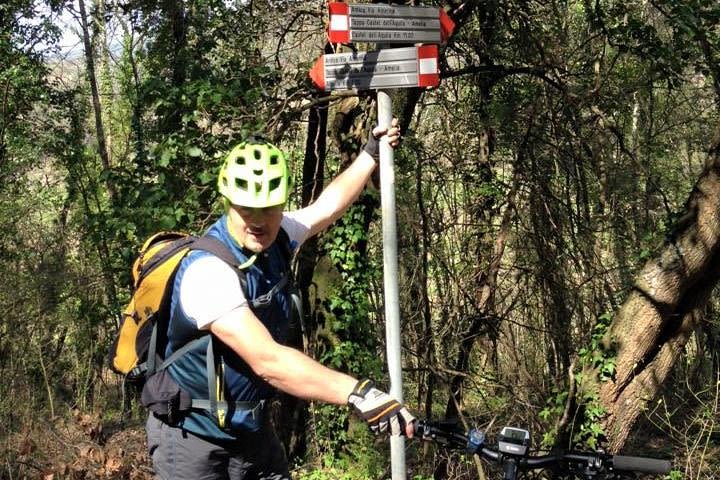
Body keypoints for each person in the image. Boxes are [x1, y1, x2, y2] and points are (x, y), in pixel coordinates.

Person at [146, 119, 415, 479]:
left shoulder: (279, 236)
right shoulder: (208, 272)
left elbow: (325, 208)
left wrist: (368, 154)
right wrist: (358, 392)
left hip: (250, 430)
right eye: (246, 209)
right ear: (228, 203)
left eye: (269, 208)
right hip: (192, 438)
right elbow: (267, 361)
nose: (258, 221)